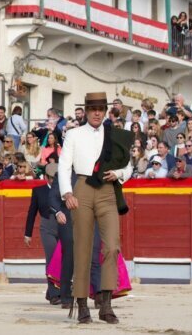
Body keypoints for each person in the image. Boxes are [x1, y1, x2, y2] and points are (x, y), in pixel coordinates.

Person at [59, 92, 131, 325]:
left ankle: (106, 304)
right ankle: (81, 304)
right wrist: (66, 192)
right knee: (82, 247)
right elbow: (63, 165)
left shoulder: (115, 135)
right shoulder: (73, 134)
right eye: (93, 109)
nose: (97, 112)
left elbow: (128, 166)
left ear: (105, 111)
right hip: (82, 187)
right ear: (86, 111)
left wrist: (119, 173)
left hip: (108, 189)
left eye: (101, 108)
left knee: (111, 246)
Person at [25, 163, 69, 305]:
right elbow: (32, 212)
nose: (54, 180)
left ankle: (53, 292)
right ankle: (55, 293)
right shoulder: (39, 191)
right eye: (51, 178)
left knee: (65, 259)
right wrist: (28, 233)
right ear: (45, 177)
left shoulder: (66, 190)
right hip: (47, 227)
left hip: (64, 226)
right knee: (52, 259)